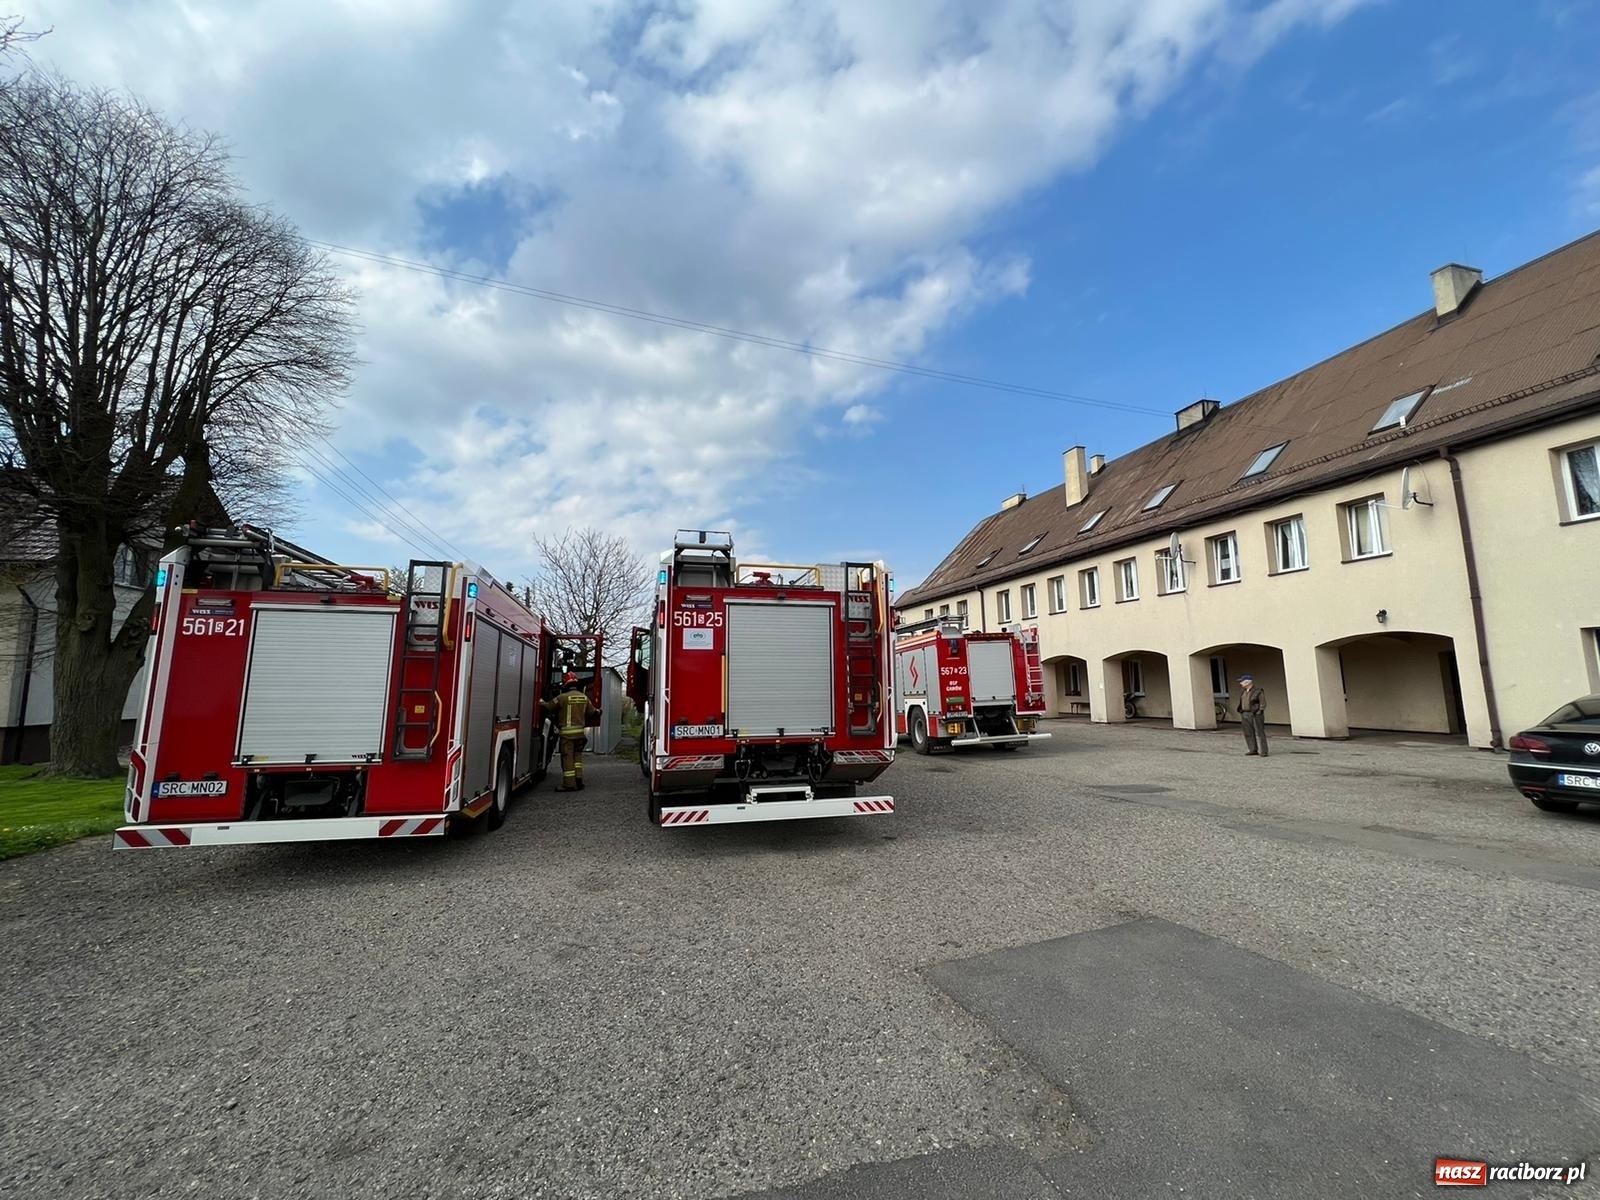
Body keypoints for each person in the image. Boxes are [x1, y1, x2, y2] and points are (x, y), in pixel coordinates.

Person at [543, 673, 597, 791]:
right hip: (580, 735)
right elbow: (592, 712)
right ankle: (579, 780)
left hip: (567, 736)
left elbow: (549, 706)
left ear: (566, 684)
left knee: (567, 757)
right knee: (577, 757)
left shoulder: (562, 697)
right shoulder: (584, 697)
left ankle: (569, 784)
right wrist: (599, 712)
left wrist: (541, 702)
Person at [1237, 673, 1267, 757]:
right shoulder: (1243, 691)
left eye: (1242, 681)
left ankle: (1263, 751)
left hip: (1255, 714)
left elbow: (1263, 703)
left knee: (1260, 732)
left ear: (1247, 682)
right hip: (1245, 713)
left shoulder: (1258, 691)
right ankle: (1252, 749)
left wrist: (1259, 711)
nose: (1240, 683)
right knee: (1248, 732)